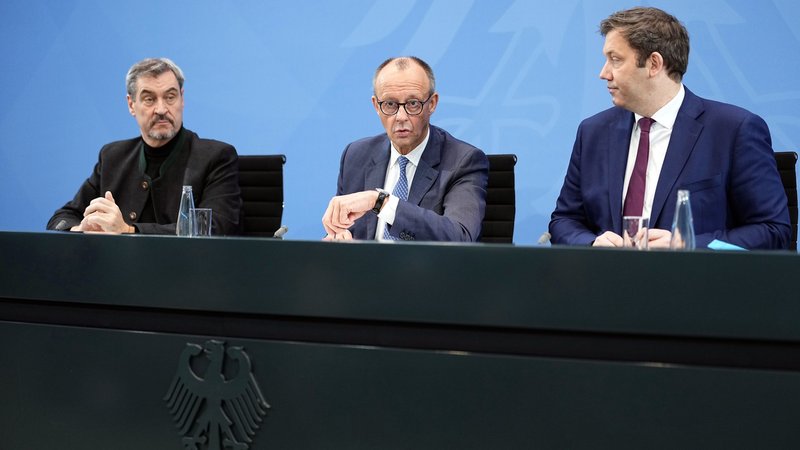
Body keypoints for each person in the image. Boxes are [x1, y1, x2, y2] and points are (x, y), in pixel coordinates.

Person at [549, 7, 790, 250]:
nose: (604, 73)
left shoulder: (733, 130)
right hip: (608, 283)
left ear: (654, 64)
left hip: (696, 283)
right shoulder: (593, 132)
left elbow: (773, 230)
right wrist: (591, 243)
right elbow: (565, 220)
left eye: (616, 60)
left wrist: (689, 245)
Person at [47, 58, 242, 235]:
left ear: (182, 99)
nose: (161, 109)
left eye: (170, 97)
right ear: (131, 104)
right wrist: (81, 227)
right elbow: (63, 217)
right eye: (149, 99)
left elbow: (216, 226)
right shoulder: (113, 157)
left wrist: (128, 230)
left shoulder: (216, 157)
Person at [322, 56, 489, 241]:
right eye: (390, 104)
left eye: (413, 104)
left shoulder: (463, 161)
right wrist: (339, 241)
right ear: (376, 106)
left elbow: (460, 237)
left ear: (432, 103)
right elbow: (346, 231)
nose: (401, 116)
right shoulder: (356, 155)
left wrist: (380, 201)